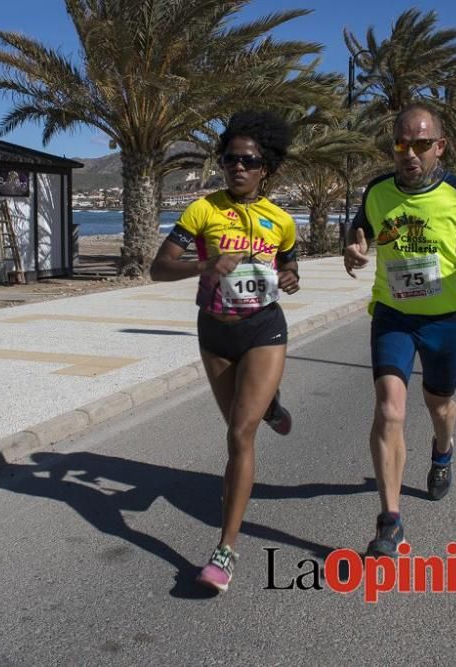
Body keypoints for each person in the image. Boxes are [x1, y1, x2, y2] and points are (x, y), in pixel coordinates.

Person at [343, 103, 456, 558]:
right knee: (389, 409)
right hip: (394, 315)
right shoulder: (377, 191)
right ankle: (390, 522)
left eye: (421, 144)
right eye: (402, 144)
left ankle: (443, 449)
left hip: (448, 321)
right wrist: (352, 249)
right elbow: (358, 232)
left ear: (439, 147)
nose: (410, 153)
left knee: (439, 404)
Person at [150, 110, 299, 592]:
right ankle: (271, 401)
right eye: (230, 159)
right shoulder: (202, 211)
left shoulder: (281, 220)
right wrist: (206, 263)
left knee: (240, 433)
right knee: (240, 421)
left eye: (249, 161)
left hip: (263, 330)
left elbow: (289, 265)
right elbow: (158, 268)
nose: (238, 167)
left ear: (265, 168)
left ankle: (226, 550)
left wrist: (291, 277)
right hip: (215, 331)